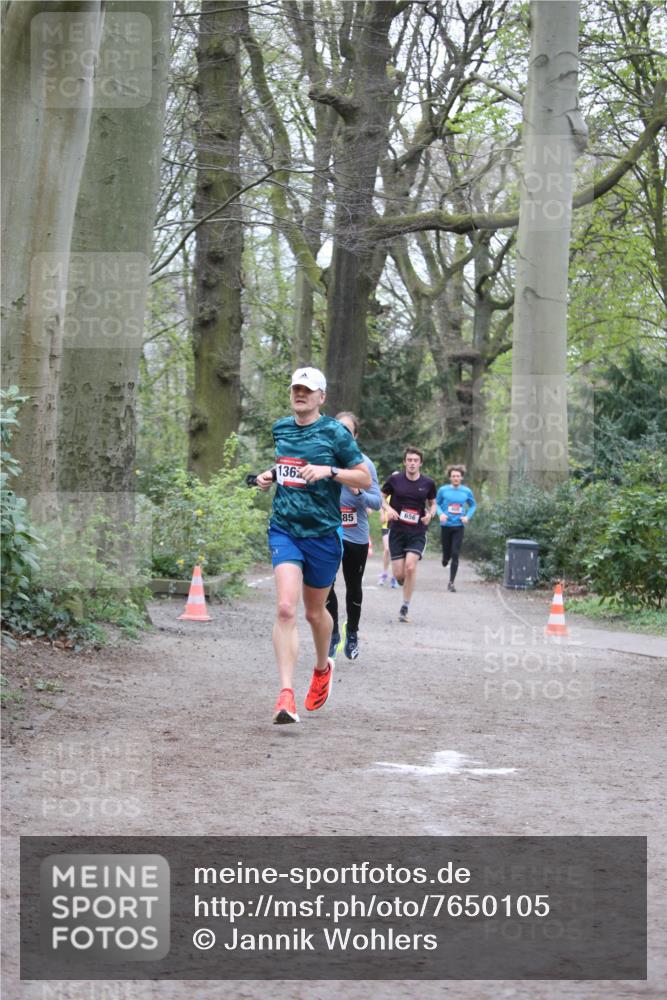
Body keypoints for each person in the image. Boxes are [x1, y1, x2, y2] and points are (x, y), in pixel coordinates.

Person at [256, 367, 371, 724]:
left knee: (313, 613)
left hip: (322, 533)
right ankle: (286, 694)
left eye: (308, 390)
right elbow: (287, 466)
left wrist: (329, 471)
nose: (300, 394)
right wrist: (269, 476)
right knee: (286, 609)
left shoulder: (335, 434)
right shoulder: (281, 428)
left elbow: (363, 478)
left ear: (321, 397)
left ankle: (322, 667)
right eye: (296, 389)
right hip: (285, 528)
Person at [325, 412, 382, 660]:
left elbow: (378, 502)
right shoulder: (324, 461)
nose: (343, 434)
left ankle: (353, 633)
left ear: (355, 436)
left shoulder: (365, 464)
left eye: (348, 430)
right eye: (339, 429)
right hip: (327, 533)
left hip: (355, 536)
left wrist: (358, 493)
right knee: (325, 585)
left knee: (353, 587)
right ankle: (333, 633)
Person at [381, 448, 437, 623]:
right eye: (409, 460)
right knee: (399, 574)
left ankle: (405, 606)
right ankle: (403, 582)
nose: (412, 463)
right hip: (397, 531)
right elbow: (380, 497)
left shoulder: (428, 483)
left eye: (415, 460)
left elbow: (433, 503)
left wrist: (430, 515)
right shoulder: (394, 480)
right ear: (405, 462)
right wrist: (388, 509)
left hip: (417, 532)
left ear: (420, 463)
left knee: (411, 567)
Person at [436, 464, 477, 592]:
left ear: (462, 478)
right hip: (446, 525)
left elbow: (473, 505)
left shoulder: (466, 491)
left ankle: (451, 583)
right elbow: (435, 503)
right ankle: (444, 558)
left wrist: (467, 517)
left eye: (458, 476)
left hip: (459, 525)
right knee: (447, 552)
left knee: (455, 553)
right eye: (453, 476)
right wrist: (440, 513)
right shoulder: (443, 490)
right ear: (450, 477)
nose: (455, 478)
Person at [377, 500, 397, 588]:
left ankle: (394, 577)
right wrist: (384, 516)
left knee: (395, 552)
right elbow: (381, 519)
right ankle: (384, 573)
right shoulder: (386, 496)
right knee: (387, 550)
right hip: (386, 527)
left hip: (398, 528)